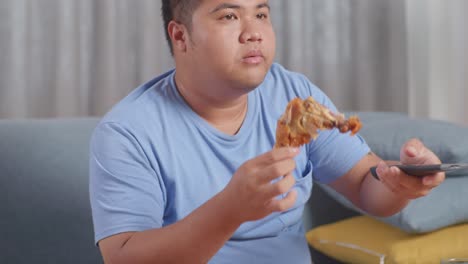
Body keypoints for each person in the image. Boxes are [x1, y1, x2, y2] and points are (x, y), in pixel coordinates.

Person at [89, 0, 445, 263]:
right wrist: (230, 209)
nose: (254, 33)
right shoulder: (128, 132)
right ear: (181, 36)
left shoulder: (294, 99)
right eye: (229, 16)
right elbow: (123, 258)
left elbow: (368, 188)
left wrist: (400, 184)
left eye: (261, 14)